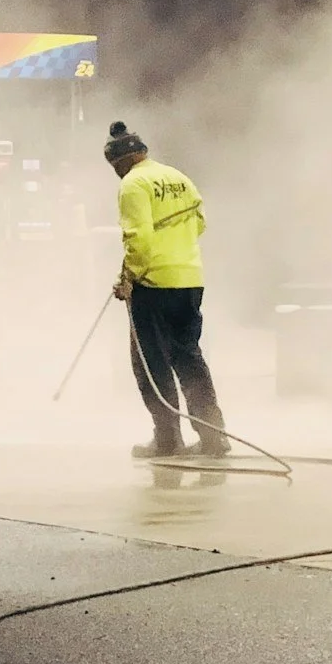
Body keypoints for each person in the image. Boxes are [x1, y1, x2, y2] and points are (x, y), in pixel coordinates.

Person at [104, 120, 228, 459]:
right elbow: (199, 222)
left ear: (120, 160)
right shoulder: (178, 178)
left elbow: (138, 239)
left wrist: (130, 276)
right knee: (189, 358)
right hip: (189, 279)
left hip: (154, 284)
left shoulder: (133, 185)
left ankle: (168, 439)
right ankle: (214, 437)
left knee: (151, 365)